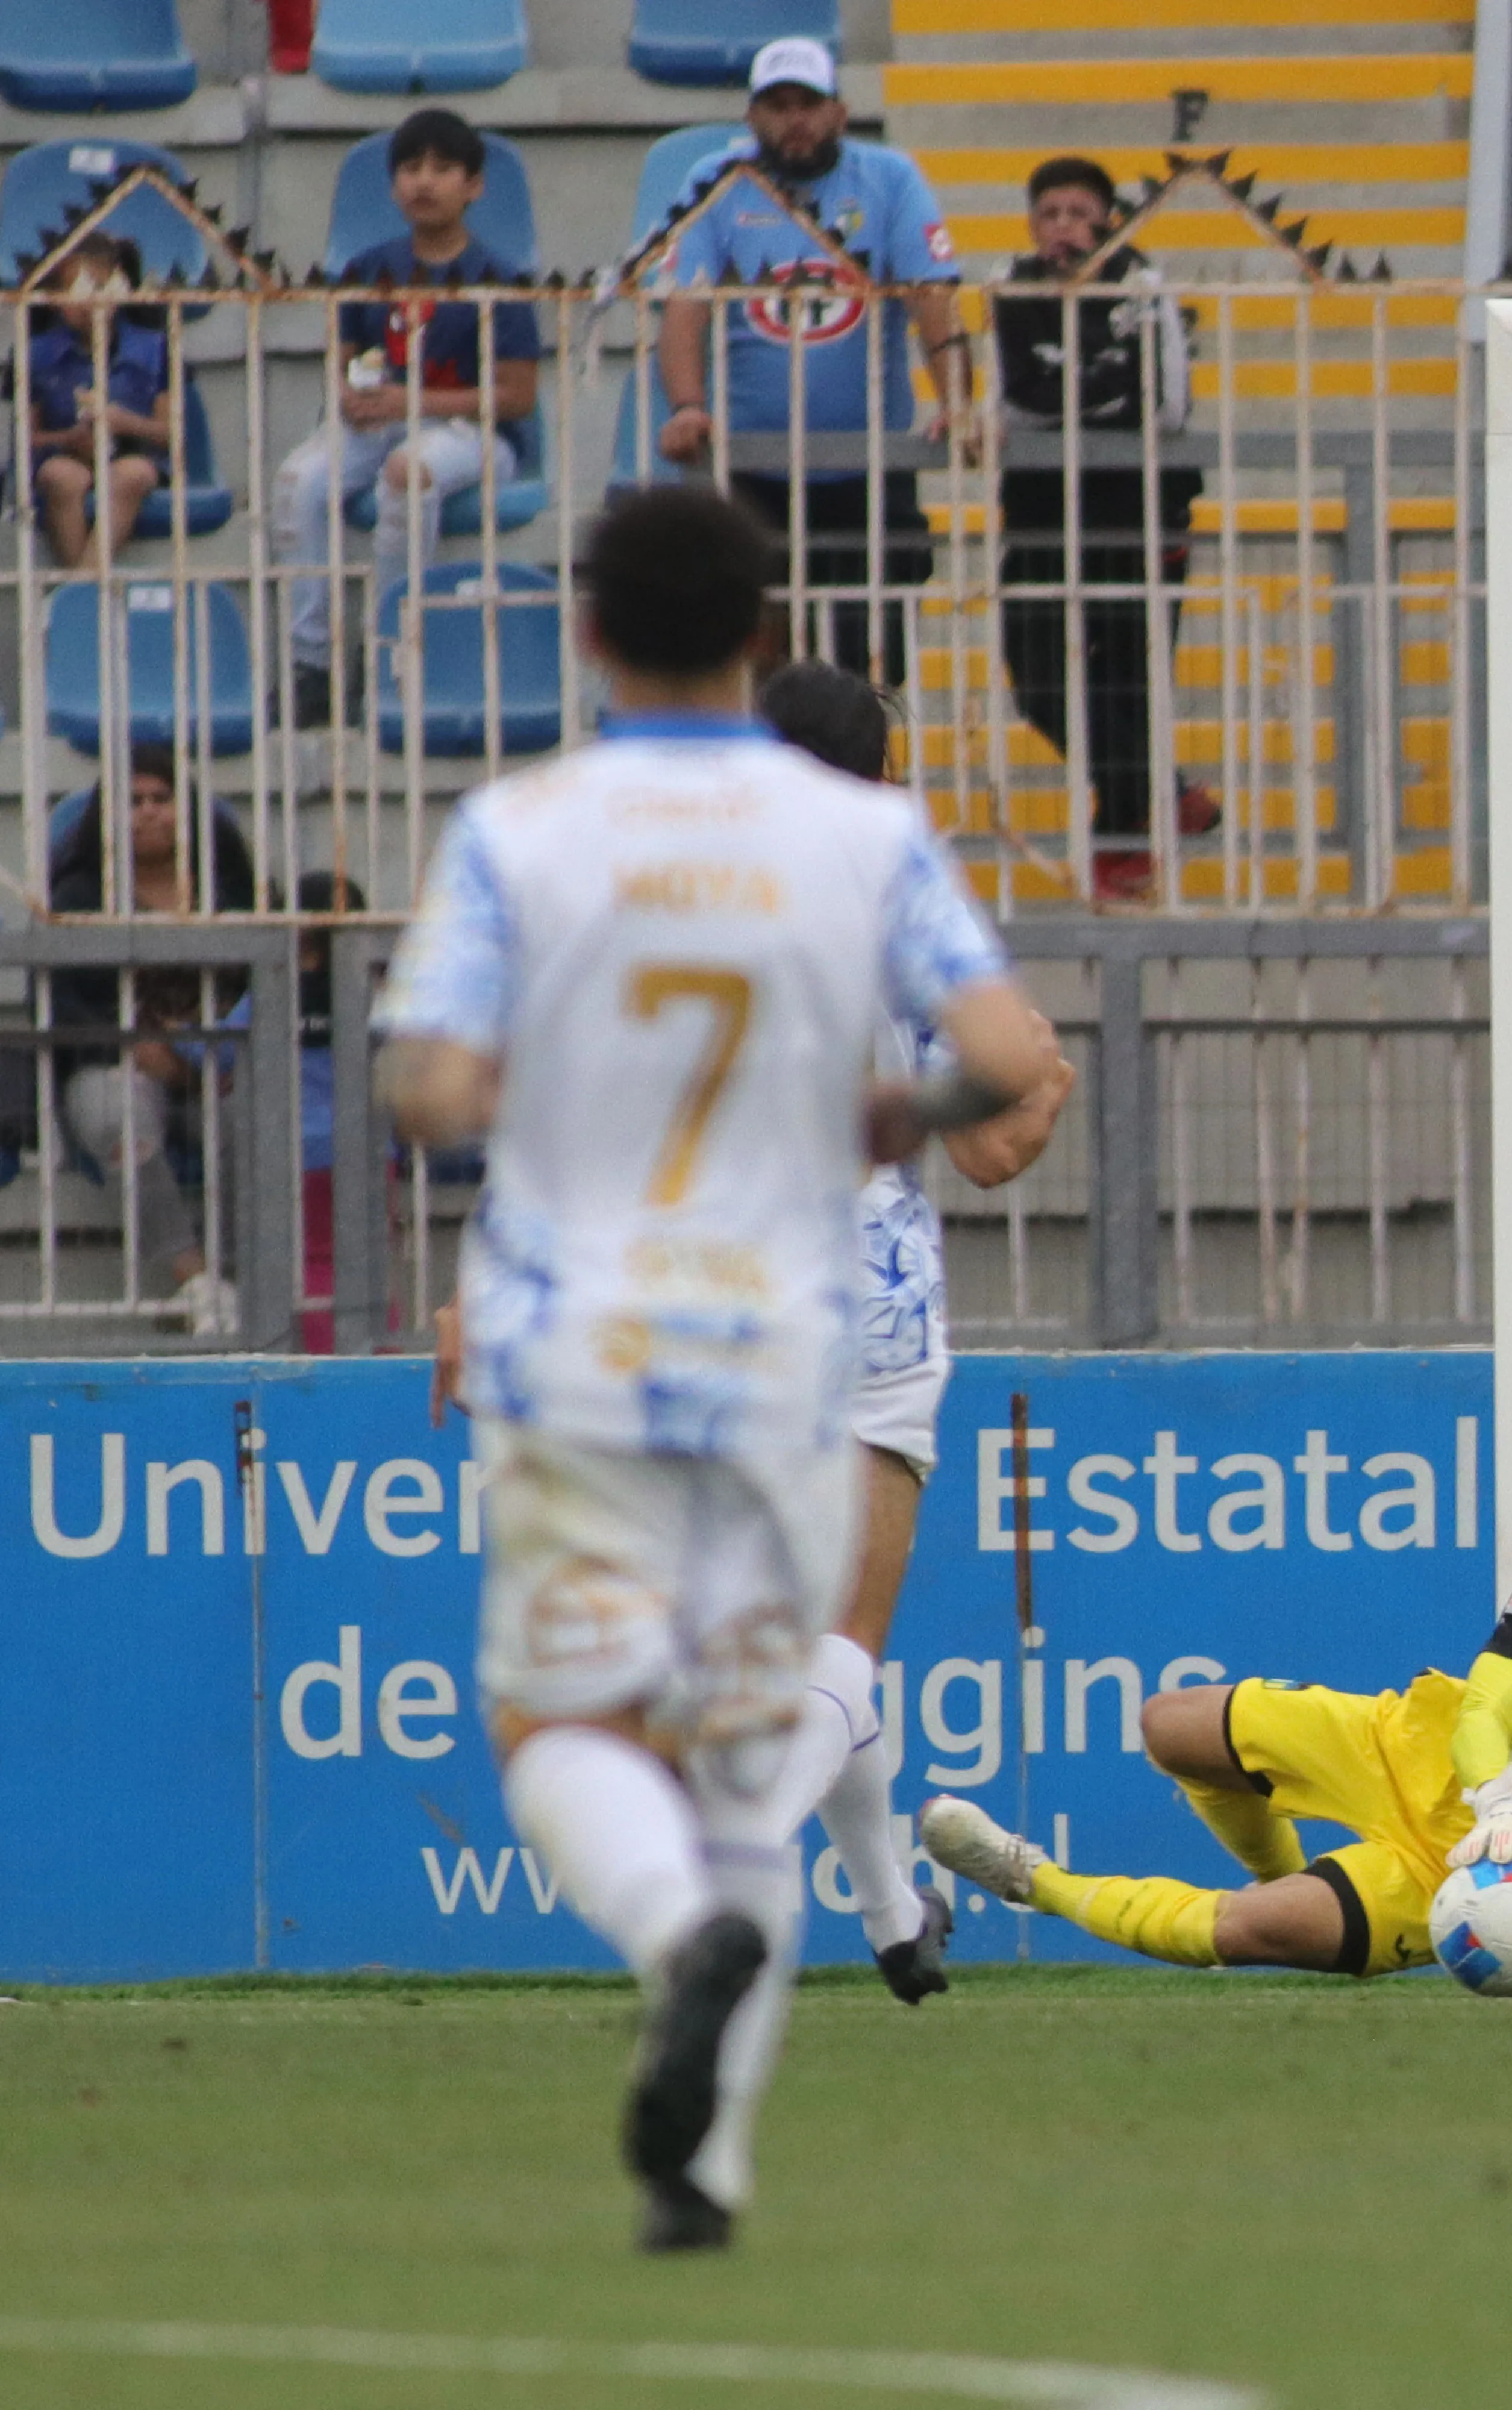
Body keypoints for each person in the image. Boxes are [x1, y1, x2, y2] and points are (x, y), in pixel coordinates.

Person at [375, 484, 1056, 2250]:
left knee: (562, 1718)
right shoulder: (867, 838)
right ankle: (706, 2169)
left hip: (576, 1336)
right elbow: (1002, 1058)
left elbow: (429, 1087)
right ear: (759, 631)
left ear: (587, 632)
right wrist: (893, 1108)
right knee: (764, 1747)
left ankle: (671, 1933)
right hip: (786, 1341)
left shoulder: (519, 826)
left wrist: (550, 1114)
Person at [749, 659, 1075, 2000]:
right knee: (845, 1639)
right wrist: (1047, 1075)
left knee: (797, 1639)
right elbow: (996, 1145)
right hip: (864, 1276)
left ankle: (893, 1914)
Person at [924, 1472, 1512, 1987]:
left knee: (1246, 1931)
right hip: (1402, 1744)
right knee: (1168, 1726)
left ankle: (1031, 1879)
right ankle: (1284, 1871)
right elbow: (1486, 1711)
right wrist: (1498, 1791)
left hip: (1451, 1870)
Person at [654, 36, 970, 689]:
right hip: (752, 467)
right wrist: (688, 405)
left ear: (840, 113)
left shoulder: (889, 179)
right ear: (751, 117)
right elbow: (683, 306)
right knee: (755, 658)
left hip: (870, 465)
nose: (794, 119)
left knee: (867, 667)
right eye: (777, 105)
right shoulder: (718, 180)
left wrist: (958, 402)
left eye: (809, 103)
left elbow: (931, 297)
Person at [992, 157, 1216, 909]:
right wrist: (1106, 388)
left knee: (1126, 681)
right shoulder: (1012, 289)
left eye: (1079, 214)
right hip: (1040, 518)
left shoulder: (1145, 289)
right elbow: (1012, 407)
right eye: (1049, 212)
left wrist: (1071, 392)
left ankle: (1122, 853)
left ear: (1109, 223)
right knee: (1037, 680)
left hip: (1139, 514)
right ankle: (1171, 794)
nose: (1063, 228)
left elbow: (1166, 407)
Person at [273, 107, 543, 731]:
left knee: (407, 472)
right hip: (386, 419)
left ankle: (388, 647)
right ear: (394, 185)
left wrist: (411, 404)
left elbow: (517, 395)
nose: (425, 182)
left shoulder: (498, 277)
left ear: (474, 186)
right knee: (299, 480)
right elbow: (343, 364)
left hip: (473, 434)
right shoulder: (369, 270)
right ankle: (311, 662)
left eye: (444, 169)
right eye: (411, 168)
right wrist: (350, 396)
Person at [47, 741, 260, 1336]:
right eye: (133, 800)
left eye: (161, 798)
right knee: (120, 1117)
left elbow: (270, 983)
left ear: (185, 805)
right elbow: (65, 1004)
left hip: (226, 1060)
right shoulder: (79, 897)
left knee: (259, 1114)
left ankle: (241, 1282)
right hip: (120, 1061)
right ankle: (197, 1285)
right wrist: (133, 1045)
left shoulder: (236, 889)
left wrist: (216, 1053)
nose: (148, 812)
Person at [25, 238, 172, 569]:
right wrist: (68, 440)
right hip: (67, 457)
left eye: (99, 288)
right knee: (60, 476)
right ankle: (90, 598)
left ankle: (79, 594)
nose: (86, 304)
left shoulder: (154, 348)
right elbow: (27, 438)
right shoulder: (37, 354)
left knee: (130, 475)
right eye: (73, 292)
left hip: (134, 456)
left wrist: (124, 422)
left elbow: (171, 433)